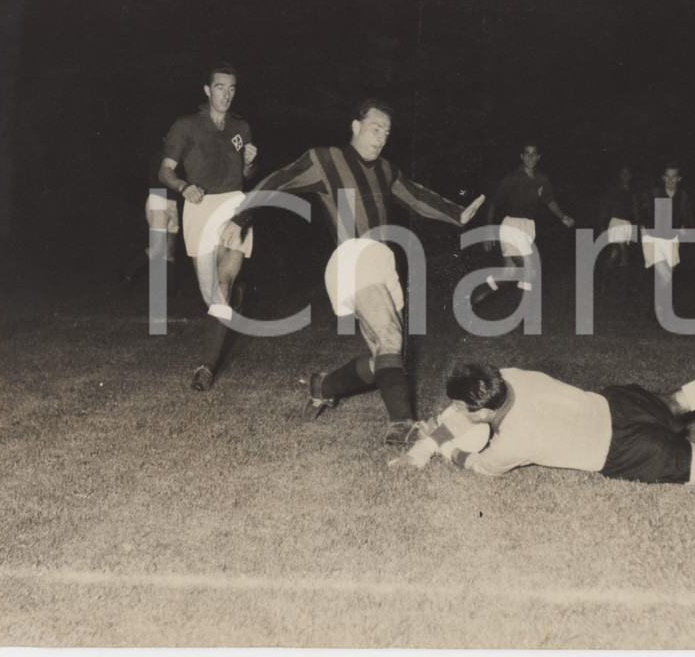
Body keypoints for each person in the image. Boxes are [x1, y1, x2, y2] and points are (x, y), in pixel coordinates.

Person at [230, 99, 485, 445]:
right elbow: (278, 180)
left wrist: (458, 214)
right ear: (355, 126)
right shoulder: (325, 159)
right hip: (352, 255)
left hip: (382, 261)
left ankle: (325, 385)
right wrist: (240, 216)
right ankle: (402, 424)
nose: (381, 137)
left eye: (387, 132)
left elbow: (416, 196)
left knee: (386, 353)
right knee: (391, 339)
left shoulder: (386, 170)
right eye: (375, 128)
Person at [391, 346, 695, 486]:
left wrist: (443, 448)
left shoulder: (513, 443)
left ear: (482, 408)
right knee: (681, 399)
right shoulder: (510, 374)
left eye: (460, 407)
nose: (453, 411)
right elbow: (473, 409)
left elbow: (478, 464)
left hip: (623, 450)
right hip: (616, 404)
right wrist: (432, 436)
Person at [158, 62, 259, 391]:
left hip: (234, 206)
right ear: (207, 90)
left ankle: (206, 366)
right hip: (199, 207)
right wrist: (183, 187)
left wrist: (249, 162)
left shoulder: (242, 127)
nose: (226, 94)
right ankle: (235, 300)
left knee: (222, 286)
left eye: (231, 89)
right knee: (211, 294)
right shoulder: (186, 125)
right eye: (220, 87)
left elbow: (247, 177)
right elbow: (166, 171)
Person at [471, 144, 575, 308]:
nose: (530, 157)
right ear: (521, 156)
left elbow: (549, 200)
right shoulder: (512, 177)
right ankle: (525, 314)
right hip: (512, 225)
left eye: (534, 154)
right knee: (529, 267)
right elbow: (493, 203)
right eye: (527, 154)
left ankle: (471, 300)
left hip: (528, 227)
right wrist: (489, 231)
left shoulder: (542, 178)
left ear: (539, 157)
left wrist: (563, 217)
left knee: (508, 274)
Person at [121, 146, 183, 296]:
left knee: (170, 248)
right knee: (157, 248)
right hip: (158, 197)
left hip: (172, 201)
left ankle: (171, 291)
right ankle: (127, 274)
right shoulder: (162, 154)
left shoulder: (181, 155)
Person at [638, 162, 694, 322]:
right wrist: (642, 227)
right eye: (667, 177)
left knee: (665, 279)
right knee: (665, 277)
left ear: (679, 178)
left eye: (674, 177)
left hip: (671, 241)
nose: (670, 180)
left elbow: (688, 217)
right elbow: (641, 211)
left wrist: (684, 228)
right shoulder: (654, 193)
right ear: (663, 178)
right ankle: (660, 312)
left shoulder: (683, 196)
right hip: (652, 239)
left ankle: (652, 310)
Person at [596, 165, 638, 294]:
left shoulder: (632, 192)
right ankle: (625, 286)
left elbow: (634, 210)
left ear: (631, 176)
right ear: (620, 176)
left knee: (615, 254)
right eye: (622, 173)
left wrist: (636, 222)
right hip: (615, 223)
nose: (625, 175)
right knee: (623, 252)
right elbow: (604, 206)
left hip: (627, 224)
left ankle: (604, 283)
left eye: (627, 173)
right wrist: (602, 225)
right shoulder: (614, 190)